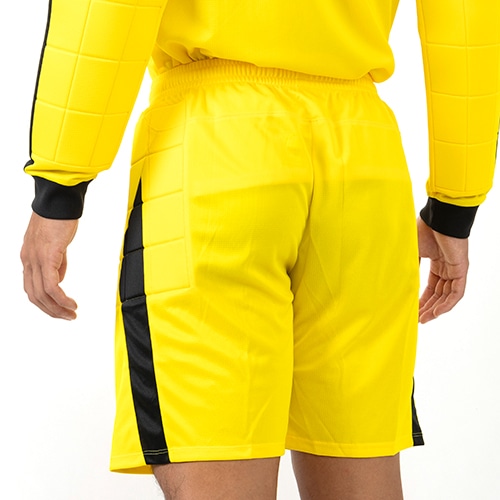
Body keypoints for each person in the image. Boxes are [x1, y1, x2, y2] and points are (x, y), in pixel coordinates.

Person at [20, 1, 499, 499]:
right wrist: (455, 204)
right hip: (364, 163)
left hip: (216, 152)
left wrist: (60, 186)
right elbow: (469, 17)